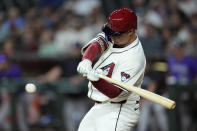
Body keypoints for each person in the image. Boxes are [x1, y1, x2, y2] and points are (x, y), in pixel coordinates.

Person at [77, 8, 146, 131]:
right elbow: (98, 43)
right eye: (111, 33)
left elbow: (115, 93)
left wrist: (95, 80)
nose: (112, 37)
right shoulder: (118, 36)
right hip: (100, 106)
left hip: (120, 109)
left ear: (130, 31)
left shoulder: (135, 58)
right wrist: (86, 60)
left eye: (116, 34)